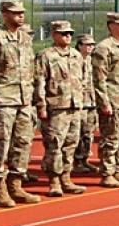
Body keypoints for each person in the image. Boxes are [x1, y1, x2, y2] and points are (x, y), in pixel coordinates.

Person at [0, 0, 41, 206]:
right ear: (4, 14)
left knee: (23, 142)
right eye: (15, 13)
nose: (20, 16)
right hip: (3, 100)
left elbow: (31, 71)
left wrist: (33, 100)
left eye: (22, 12)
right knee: (1, 144)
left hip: (24, 100)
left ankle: (16, 185)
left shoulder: (25, 39)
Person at [34, 20, 88, 196]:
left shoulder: (76, 55)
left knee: (71, 144)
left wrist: (82, 103)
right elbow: (39, 82)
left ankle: (66, 177)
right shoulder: (46, 55)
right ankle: (54, 181)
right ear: (54, 34)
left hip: (74, 106)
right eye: (64, 33)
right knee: (54, 145)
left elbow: (84, 80)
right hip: (56, 107)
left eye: (70, 33)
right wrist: (41, 106)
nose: (68, 36)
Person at [92, 12, 119, 189]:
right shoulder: (104, 48)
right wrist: (104, 102)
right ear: (111, 26)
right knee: (110, 139)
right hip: (113, 100)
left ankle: (118, 169)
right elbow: (99, 78)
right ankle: (107, 173)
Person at [73, 33, 100, 173]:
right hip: (79, 102)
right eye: (87, 44)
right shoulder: (74, 59)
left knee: (89, 132)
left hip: (92, 101)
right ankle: (76, 161)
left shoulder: (92, 60)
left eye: (92, 45)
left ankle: (84, 159)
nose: (90, 47)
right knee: (78, 132)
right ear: (79, 45)